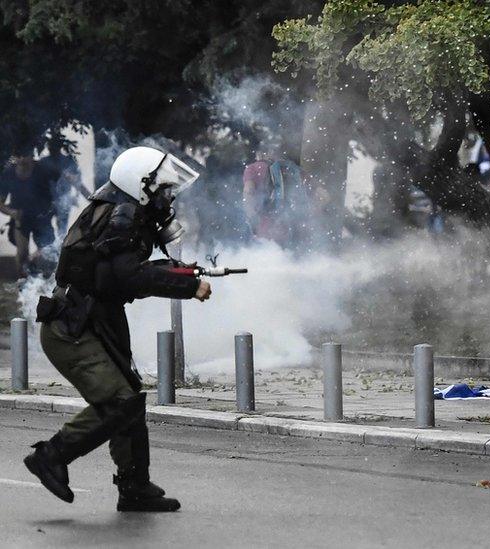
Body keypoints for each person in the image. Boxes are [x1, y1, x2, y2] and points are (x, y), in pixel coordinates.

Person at [25, 146, 211, 512]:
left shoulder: (120, 214)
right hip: (73, 329)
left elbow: (115, 278)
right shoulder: (119, 217)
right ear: (140, 185)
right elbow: (129, 275)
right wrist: (188, 286)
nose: (166, 197)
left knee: (129, 400)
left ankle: (134, 487)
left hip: (91, 323)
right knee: (119, 403)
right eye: (161, 189)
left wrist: (177, 272)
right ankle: (51, 456)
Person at [242, 139, 309, 246]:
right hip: (290, 226)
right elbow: (322, 196)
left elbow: (249, 191)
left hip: (264, 226)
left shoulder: (253, 168)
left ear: (261, 153)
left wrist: (251, 218)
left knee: (263, 258)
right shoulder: (295, 170)